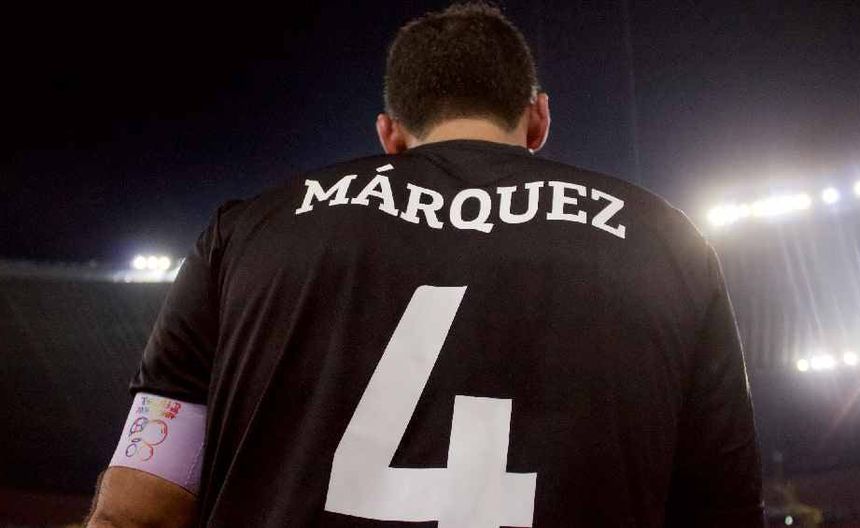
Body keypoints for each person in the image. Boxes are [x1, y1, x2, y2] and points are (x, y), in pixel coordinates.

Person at [86, 2, 764, 527]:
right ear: (538, 119)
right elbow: (723, 512)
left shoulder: (245, 235)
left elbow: (137, 511)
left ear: (389, 133)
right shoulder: (667, 243)